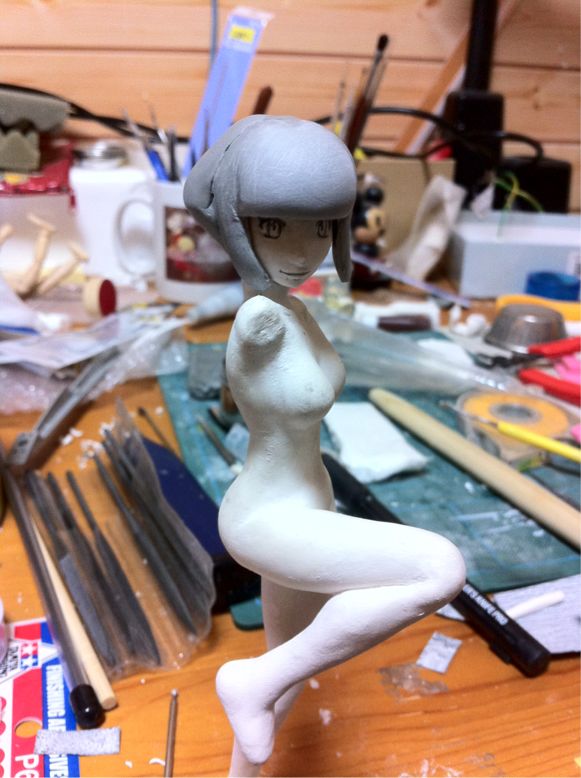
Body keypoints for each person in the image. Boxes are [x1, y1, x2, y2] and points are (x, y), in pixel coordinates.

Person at [184, 116, 466, 776]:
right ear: (237, 224)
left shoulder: (293, 309)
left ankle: (246, 747)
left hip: (309, 502)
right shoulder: (259, 320)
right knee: (438, 569)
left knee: (285, 673)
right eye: (274, 225)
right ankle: (248, 683)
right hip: (267, 517)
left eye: (319, 227)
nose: (303, 248)